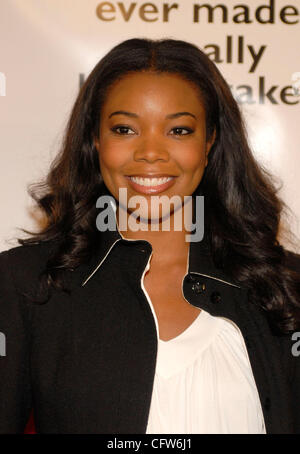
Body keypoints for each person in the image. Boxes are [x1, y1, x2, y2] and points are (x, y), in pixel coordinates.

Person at [0, 37, 300, 435]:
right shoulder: (27, 283)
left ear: (210, 142)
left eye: (178, 130)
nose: (151, 153)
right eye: (125, 129)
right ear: (95, 139)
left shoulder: (283, 284)